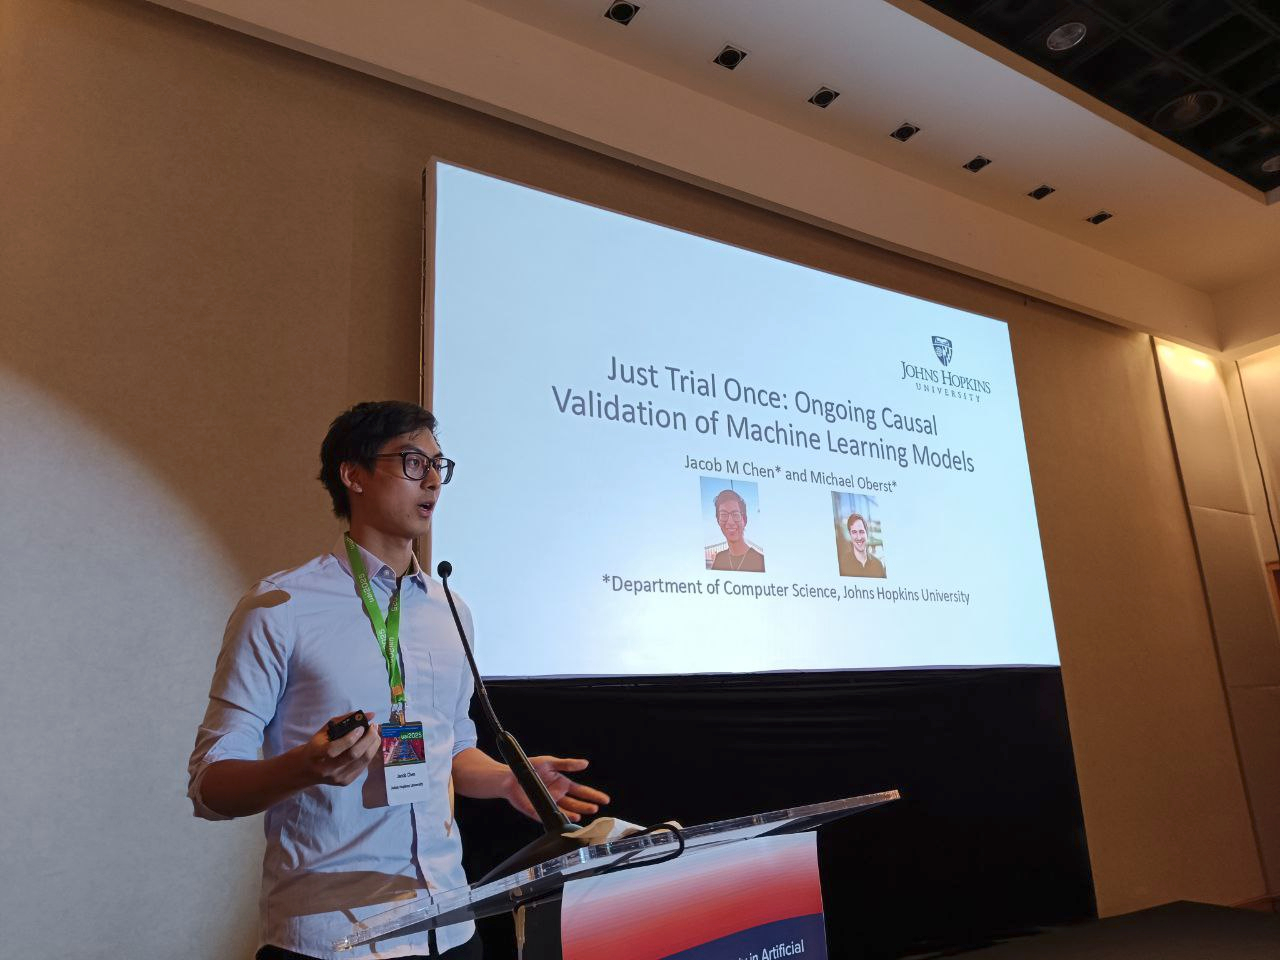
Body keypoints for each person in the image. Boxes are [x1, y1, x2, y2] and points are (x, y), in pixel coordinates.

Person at [188, 400, 609, 960]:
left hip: (451, 927)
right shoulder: (280, 607)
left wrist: (509, 780)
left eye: (439, 465)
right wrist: (305, 766)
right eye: (413, 462)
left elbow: (451, 749)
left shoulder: (450, 609)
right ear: (353, 474)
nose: (432, 480)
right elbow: (210, 786)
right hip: (334, 939)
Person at [709, 488, 765, 573]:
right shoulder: (718, 559)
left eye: (735, 514)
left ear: (744, 520)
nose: (730, 522)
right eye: (723, 515)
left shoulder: (760, 561)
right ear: (718, 521)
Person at [838, 512, 886, 578]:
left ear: (867, 534)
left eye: (861, 532)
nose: (859, 537)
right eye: (854, 532)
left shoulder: (878, 565)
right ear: (850, 535)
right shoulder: (842, 564)